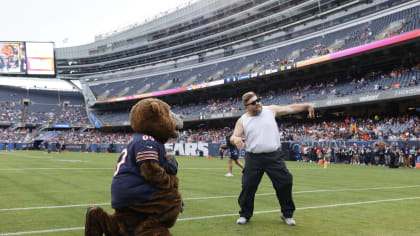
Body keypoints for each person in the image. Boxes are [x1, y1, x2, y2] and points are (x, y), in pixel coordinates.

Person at [230, 91, 314, 226]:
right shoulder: (242, 120)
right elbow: (233, 137)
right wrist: (236, 140)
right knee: (248, 186)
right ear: (246, 106)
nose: (257, 103)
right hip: (253, 158)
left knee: (285, 182)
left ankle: (287, 214)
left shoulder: (270, 110)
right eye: (253, 103)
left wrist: (307, 106)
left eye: (258, 100)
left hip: (274, 156)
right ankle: (245, 214)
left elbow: (290, 108)